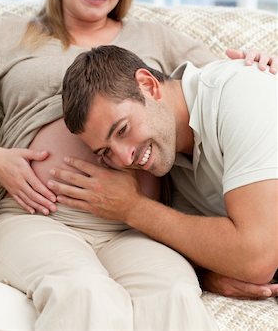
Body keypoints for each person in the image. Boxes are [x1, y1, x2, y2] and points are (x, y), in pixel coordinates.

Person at [0, 0, 275, 330]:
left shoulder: (154, 38)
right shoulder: (14, 33)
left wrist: (259, 63)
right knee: (84, 293)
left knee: (173, 294)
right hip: (41, 218)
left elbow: (220, 92)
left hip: (133, 229)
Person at [57, 45, 278, 299]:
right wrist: (207, 276)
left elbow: (256, 258)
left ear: (149, 86)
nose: (124, 158)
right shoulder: (173, 157)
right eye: (105, 152)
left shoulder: (242, 94)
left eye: (122, 130)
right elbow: (215, 246)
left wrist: (132, 208)